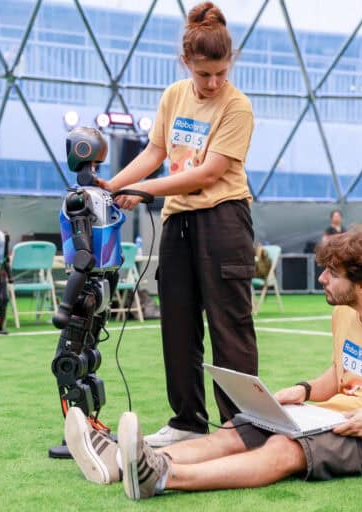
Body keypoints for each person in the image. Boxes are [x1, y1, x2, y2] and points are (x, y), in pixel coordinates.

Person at [62, 226, 362, 499]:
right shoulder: (345, 312)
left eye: (332, 273)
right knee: (241, 427)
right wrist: (301, 392)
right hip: (332, 414)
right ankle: (117, 461)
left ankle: (163, 477)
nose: (322, 279)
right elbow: (343, 375)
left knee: (286, 449)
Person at [94, 2, 258, 447]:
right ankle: (187, 421)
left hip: (224, 218)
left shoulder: (237, 107)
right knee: (179, 324)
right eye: (205, 74)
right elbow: (154, 153)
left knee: (230, 327)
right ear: (186, 62)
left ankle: (241, 426)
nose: (214, 82)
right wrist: (111, 185)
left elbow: (208, 173)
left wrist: (146, 191)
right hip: (179, 221)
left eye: (222, 72)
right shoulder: (173, 95)